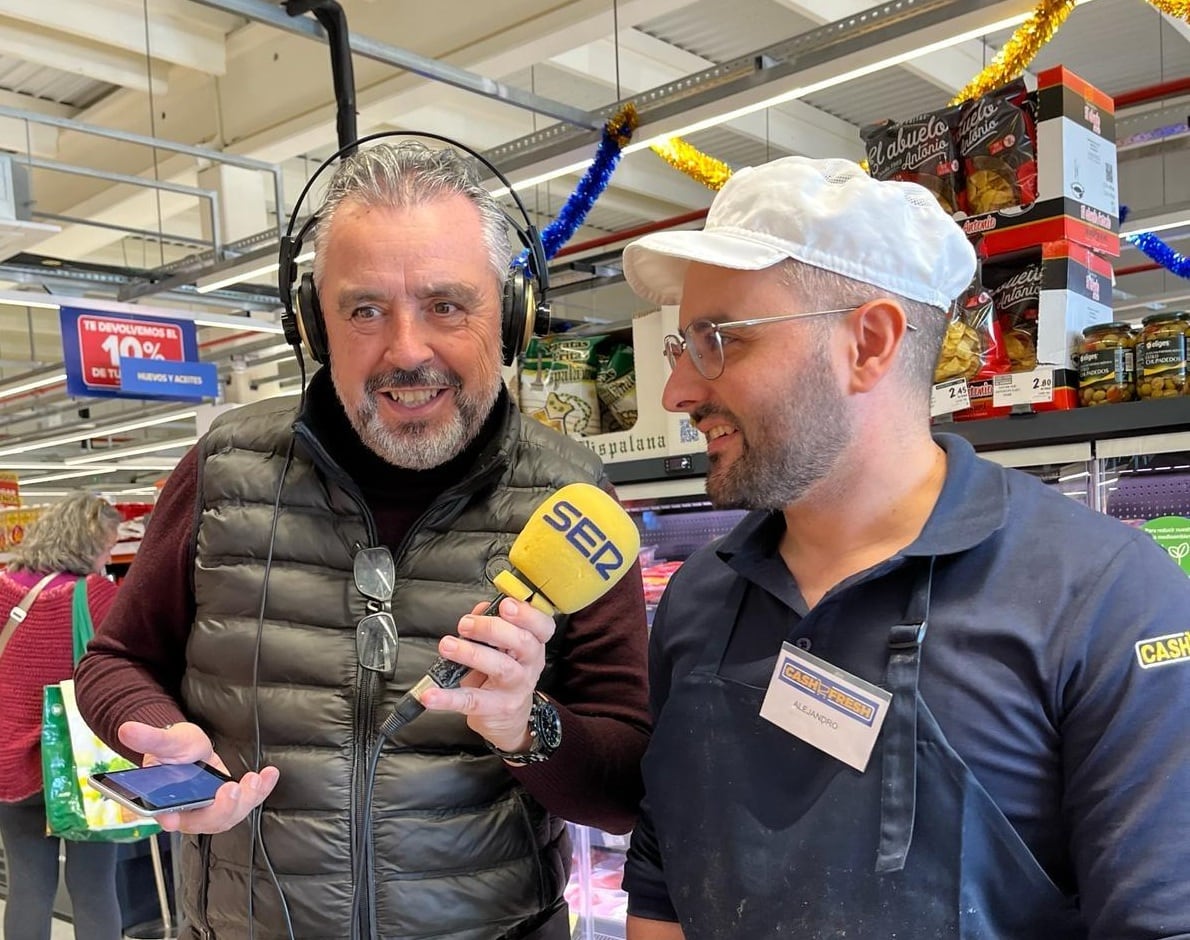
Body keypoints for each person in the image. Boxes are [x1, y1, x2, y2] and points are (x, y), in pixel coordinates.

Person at [74, 142, 650, 940]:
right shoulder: (224, 469)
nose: (407, 349)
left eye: (447, 305)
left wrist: (528, 724)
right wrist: (155, 733)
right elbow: (116, 661)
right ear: (313, 322)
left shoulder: (571, 497)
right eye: (365, 309)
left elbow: (624, 783)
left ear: (511, 312)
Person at [617, 156, 1190, 939]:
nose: (676, 390)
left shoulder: (1106, 598)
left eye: (718, 340)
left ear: (871, 342)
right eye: (683, 344)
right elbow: (661, 879)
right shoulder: (700, 597)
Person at [0, 494, 124, 940]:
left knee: (28, 887)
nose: (109, 556)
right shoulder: (94, 595)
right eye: (107, 546)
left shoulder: (0, 588)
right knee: (94, 888)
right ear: (87, 542)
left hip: (9, 766)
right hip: (80, 765)